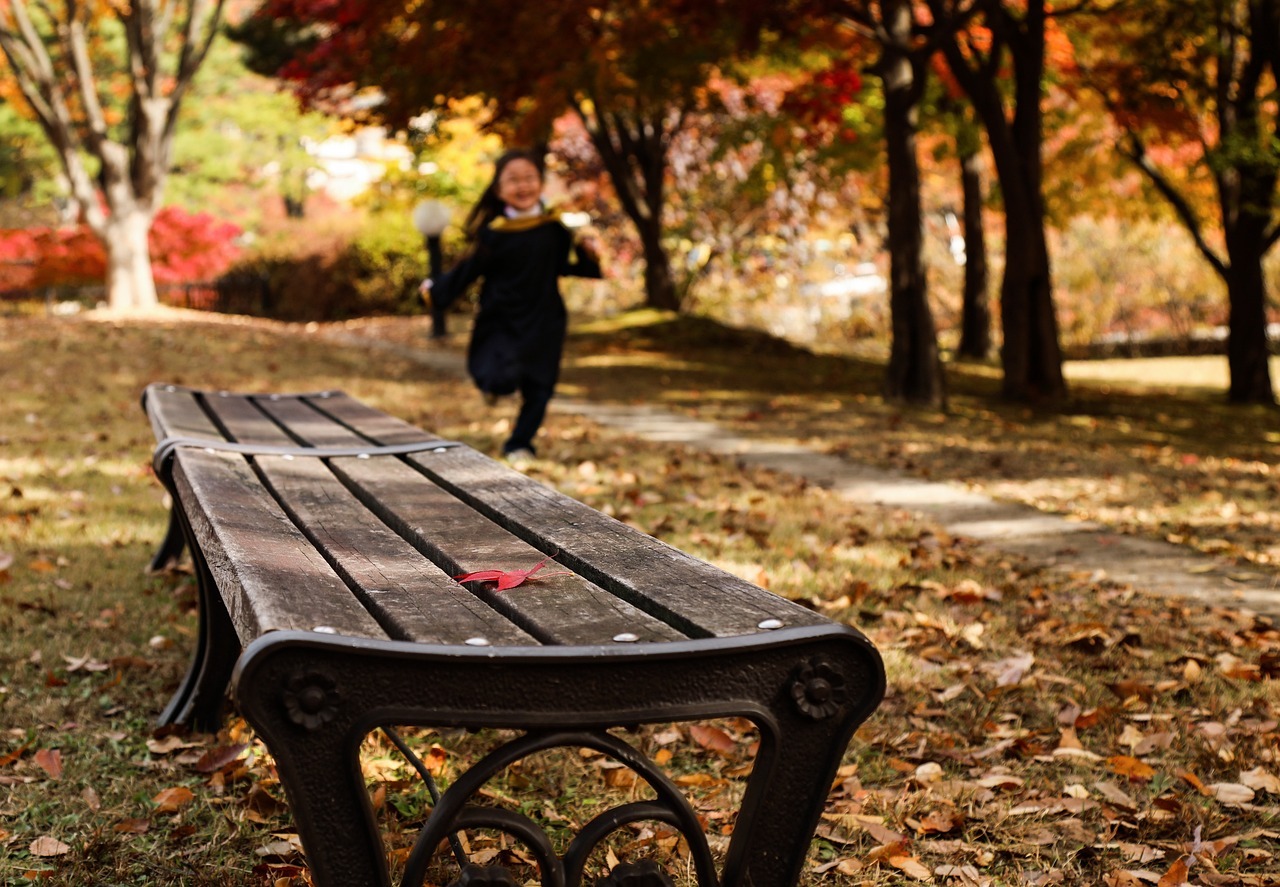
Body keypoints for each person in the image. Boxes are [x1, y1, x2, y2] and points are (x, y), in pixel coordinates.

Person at [421, 149, 602, 461]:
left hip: (545, 318)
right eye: (514, 180)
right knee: (498, 375)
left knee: (541, 385)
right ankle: (495, 389)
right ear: (499, 189)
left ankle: (520, 443)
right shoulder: (494, 233)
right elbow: (469, 270)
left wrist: (588, 252)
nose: (523, 186)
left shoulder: (554, 229)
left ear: (541, 183)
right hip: (501, 317)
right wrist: (435, 290)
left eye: (530, 178)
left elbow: (569, 267)